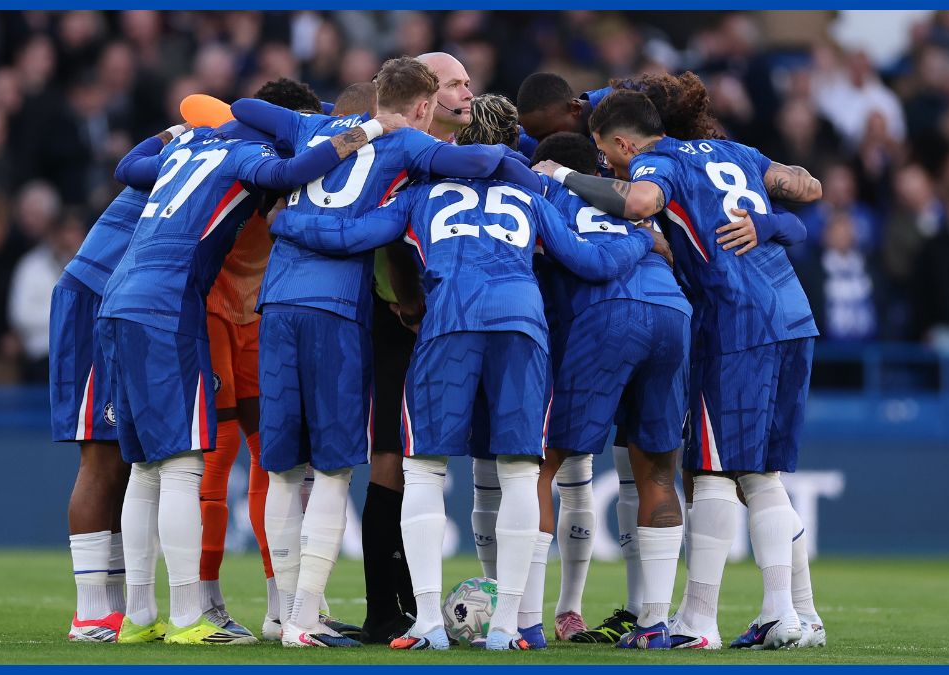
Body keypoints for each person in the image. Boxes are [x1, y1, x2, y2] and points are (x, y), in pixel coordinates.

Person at [268, 93, 666, 651]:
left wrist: (289, 224)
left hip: (450, 320)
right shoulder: (529, 190)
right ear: (508, 143)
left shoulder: (419, 192)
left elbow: (353, 237)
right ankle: (506, 626)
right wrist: (639, 238)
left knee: (427, 470)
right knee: (520, 473)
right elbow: (589, 260)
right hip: (522, 326)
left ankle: (428, 622)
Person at [228, 57, 525, 649]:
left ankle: (284, 615)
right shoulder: (412, 144)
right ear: (421, 106)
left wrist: (339, 144)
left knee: (283, 471)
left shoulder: (312, 131)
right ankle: (306, 619)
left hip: (278, 303)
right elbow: (478, 159)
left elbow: (244, 108)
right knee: (335, 469)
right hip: (338, 311)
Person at [534, 88, 823, 650]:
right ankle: (788, 614)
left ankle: (698, 620)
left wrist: (562, 179)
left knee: (713, 473)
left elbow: (639, 202)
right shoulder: (734, 152)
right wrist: (773, 225)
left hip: (736, 322)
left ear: (621, 141)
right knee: (762, 475)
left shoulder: (655, 162)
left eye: (603, 151)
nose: (604, 164)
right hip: (794, 314)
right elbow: (808, 186)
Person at [98, 103, 397, 646]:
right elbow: (287, 173)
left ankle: (140, 616)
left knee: (144, 468)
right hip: (168, 309)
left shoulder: (185, 150)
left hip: (117, 300)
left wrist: (175, 129)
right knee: (184, 467)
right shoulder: (244, 154)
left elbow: (128, 166)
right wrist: (370, 128)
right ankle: (189, 616)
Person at [528, 130, 693, 650]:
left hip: (608, 317)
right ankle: (654, 624)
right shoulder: (627, 196)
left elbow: (568, 262)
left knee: (540, 465)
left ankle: (523, 619)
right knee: (658, 470)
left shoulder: (544, 195)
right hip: (673, 312)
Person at [196, 79, 343, 645]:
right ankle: (205, 599)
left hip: (256, 317)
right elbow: (203, 109)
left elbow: (335, 115)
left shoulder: (309, 157)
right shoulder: (242, 157)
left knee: (275, 456)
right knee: (218, 453)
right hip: (210, 312)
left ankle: (283, 605)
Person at [51, 125, 183, 643]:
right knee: (101, 456)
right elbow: (129, 164)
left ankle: (114, 605)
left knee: (126, 457)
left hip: (126, 301)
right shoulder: (189, 163)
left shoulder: (192, 158)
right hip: (95, 299)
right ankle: (88, 613)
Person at [360, 51, 473, 645]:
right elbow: (393, 236)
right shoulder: (403, 151)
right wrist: (406, 295)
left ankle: (508, 612)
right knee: (393, 460)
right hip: (402, 322)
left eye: (468, 82)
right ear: (425, 99)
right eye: (454, 83)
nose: (467, 92)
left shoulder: (453, 152)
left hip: (456, 319)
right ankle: (387, 606)